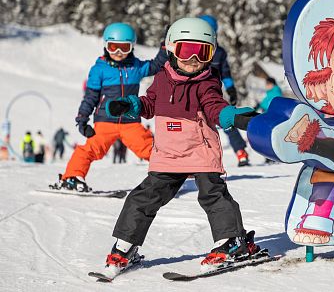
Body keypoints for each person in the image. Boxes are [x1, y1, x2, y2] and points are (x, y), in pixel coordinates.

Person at [100, 18, 261, 276]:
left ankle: (231, 242)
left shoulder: (207, 81)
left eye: (203, 52)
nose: (194, 59)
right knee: (143, 197)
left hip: (201, 151)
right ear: (172, 49)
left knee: (213, 195)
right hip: (168, 154)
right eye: (187, 50)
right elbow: (150, 103)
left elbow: (214, 106)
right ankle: (123, 248)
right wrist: (131, 105)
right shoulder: (162, 78)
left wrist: (231, 116)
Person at [53, 22, 169, 192]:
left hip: (130, 122)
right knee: (90, 149)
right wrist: (82, 120)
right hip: (105, 121)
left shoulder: (135, 67)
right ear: (106, 46)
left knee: (149, 148)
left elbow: (156, 65)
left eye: (124, 47)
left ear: (132, 47)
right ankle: (72, 177)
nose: (119, 53)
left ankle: (172, 172)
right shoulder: (99, 70)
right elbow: (90, 97)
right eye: (113, 47)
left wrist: (165, 47)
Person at [199, 15, 250, 167]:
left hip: (212, 94)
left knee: (225, 121)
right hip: (193, 94)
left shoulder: (219, 53)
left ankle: (241, 151)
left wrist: (231, 89)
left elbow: (225, 73)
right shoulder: (192, 49)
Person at [256, 77, 283, 164]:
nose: (266, 86)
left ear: (272, 84)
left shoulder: (275, 92)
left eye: (267, 84)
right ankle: (270, 156)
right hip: (269, 117)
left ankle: (273, 156)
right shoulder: (270, 93)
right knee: (269, 137)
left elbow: (269, 104)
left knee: (271, 137)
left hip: (273, 118)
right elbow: (264, 102)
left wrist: (260, 106)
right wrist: (258, 106)